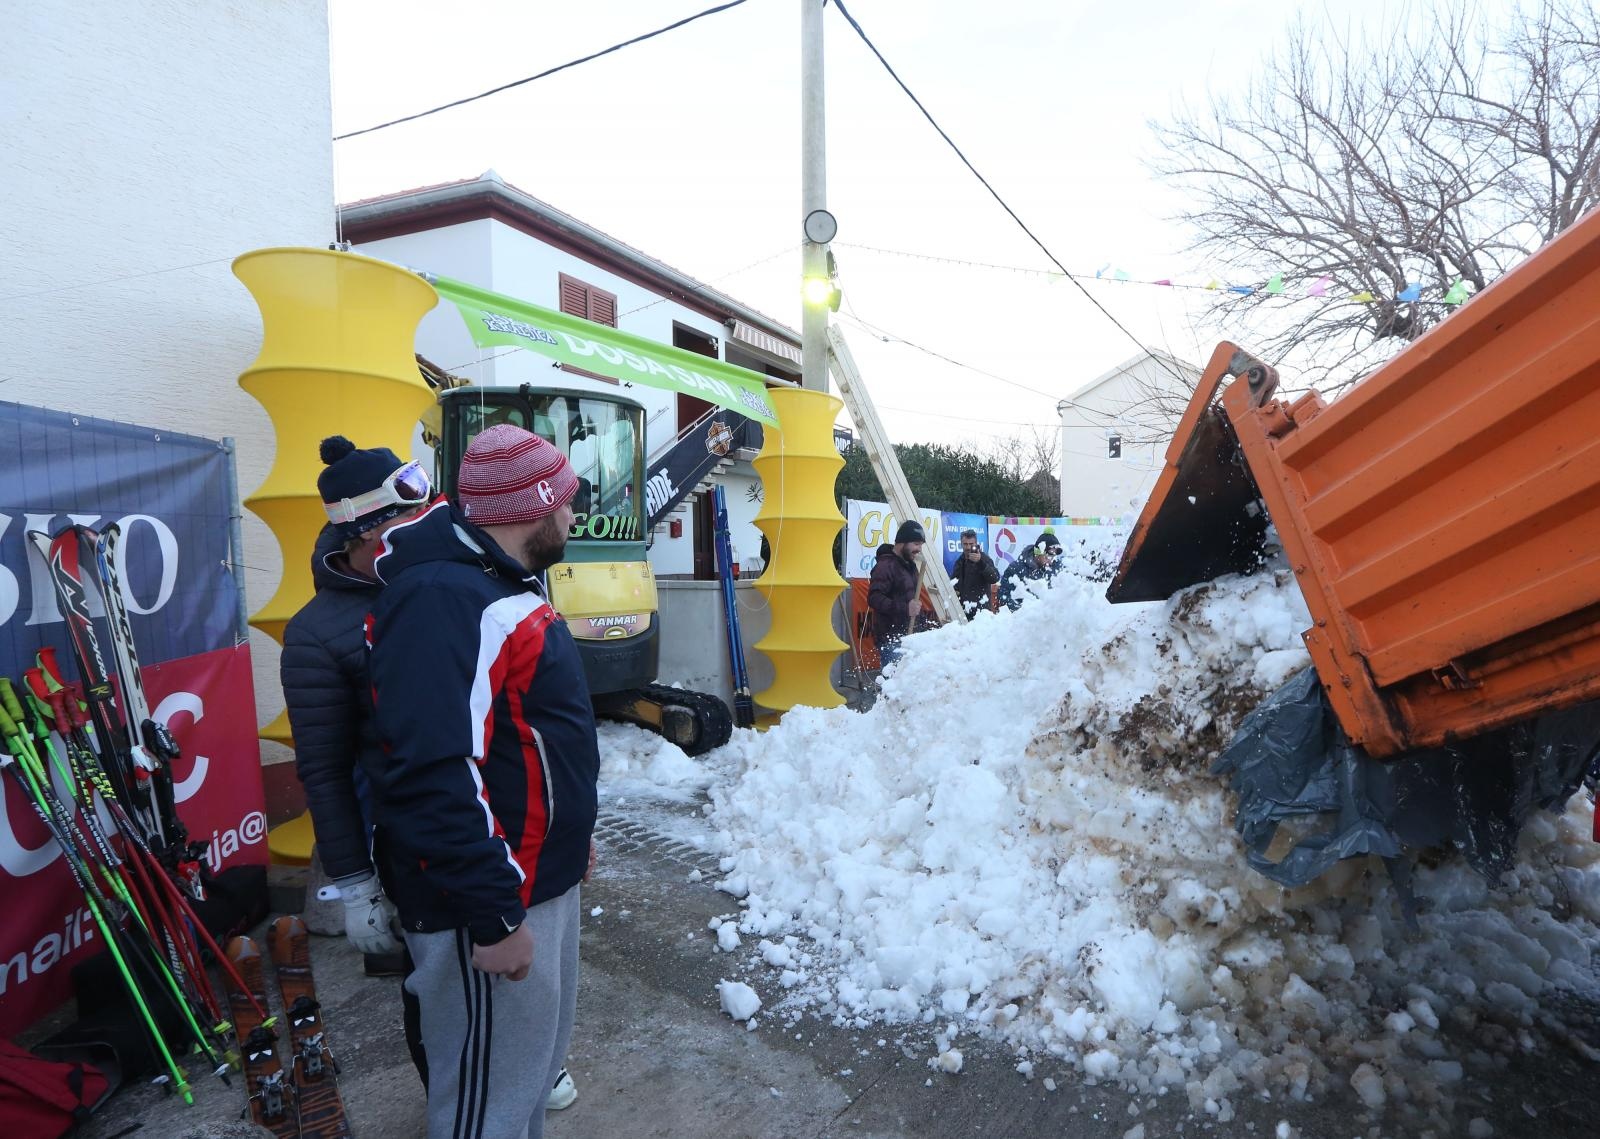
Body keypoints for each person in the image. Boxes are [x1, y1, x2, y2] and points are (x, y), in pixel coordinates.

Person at [283, 437, 579, 1112]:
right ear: (359, 533)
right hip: (427, 844)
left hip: (484, 838)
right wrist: (352, 879)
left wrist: (565, 828)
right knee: (455, 1033)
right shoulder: (337, 625)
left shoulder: (467, 575)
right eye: (399, 520)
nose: (427, 524)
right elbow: (331, 768)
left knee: (496, 1048)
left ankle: (495, 1073)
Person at [366, 424, 598, 1139]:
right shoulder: (446, 599)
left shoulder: (497, 582)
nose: (573, 509)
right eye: (563, 496)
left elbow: (525, 740)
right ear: (531, 505)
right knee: (484, 1106)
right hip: (489, 902)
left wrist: (570, 841)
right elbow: (434, 773)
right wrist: (496, 914)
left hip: (534, 879)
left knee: (523, 1081)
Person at [867, 519, 926, 670]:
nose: (919, 549)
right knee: (894, 689)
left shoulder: (910, 565)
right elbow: (874, 598)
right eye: (916, 544)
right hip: (891, 641)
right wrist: (906, 608)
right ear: (902, 542)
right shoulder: (885, 566)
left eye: (921, 545)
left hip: (910, 637)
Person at [999, 531, 1064, 610]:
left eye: (1054, 556)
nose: (1051, 560)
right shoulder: (1016, 569)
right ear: (1038, 553)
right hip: (1023, 618)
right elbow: (1004, 597)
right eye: (1048, 556)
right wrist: (1025, 612)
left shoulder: (1056, 569)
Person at [951, 528, 1000, 616]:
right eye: (965, 544)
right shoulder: (960, 561)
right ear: (961, 544)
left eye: (971, 544)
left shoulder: (984, 559)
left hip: (981, 613)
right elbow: (954, 582)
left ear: (976, 544)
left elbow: (995, 578)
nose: (968, 547)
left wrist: (980, 562)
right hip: (964, 611)